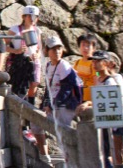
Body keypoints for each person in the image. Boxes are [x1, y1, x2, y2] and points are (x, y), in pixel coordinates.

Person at [76, 51, 123, 168]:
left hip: (116, 117)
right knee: (108, 151)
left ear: (105, 63)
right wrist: (88, 103)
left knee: (117, 152)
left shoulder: (111, 81)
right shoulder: (99, 80)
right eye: (93, 61)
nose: (94, 64)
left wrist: (89, 103)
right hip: (106, 119)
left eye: (98, 61)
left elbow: (112, 100)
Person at [33, 36, 82, 166]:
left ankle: (70, 162)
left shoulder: (64, 66)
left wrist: (51, 106)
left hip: (65, 105)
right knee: (36, 124)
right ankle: (45, 157)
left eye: (59, 48)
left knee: (63, 134)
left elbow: (66, 90)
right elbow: (49, 89)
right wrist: (45, 104)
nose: (57, 52)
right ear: (47, 51)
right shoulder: (49, 65)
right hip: (54, 104)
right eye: (53, 49)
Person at [6, 5, 42, 143]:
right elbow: (4, 46)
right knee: (20, 91)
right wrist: (16, 51)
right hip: (20, 63)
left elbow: (39, 48)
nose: (32, 19)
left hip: (33, 62)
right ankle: (21, 123)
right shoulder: (14, 30)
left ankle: (30, 119)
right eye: (30, 16)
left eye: (35, 17)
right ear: (23, 17)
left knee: (33, 88)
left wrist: (37, 55)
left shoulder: (37, 31)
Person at [73, 33, 99, 102]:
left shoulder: (94, 63)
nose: (85, 48)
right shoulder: (77, 62)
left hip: (90, 100)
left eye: (88, 46)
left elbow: (97, 80)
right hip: (78, 98)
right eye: (83, 45)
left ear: (93, 48)